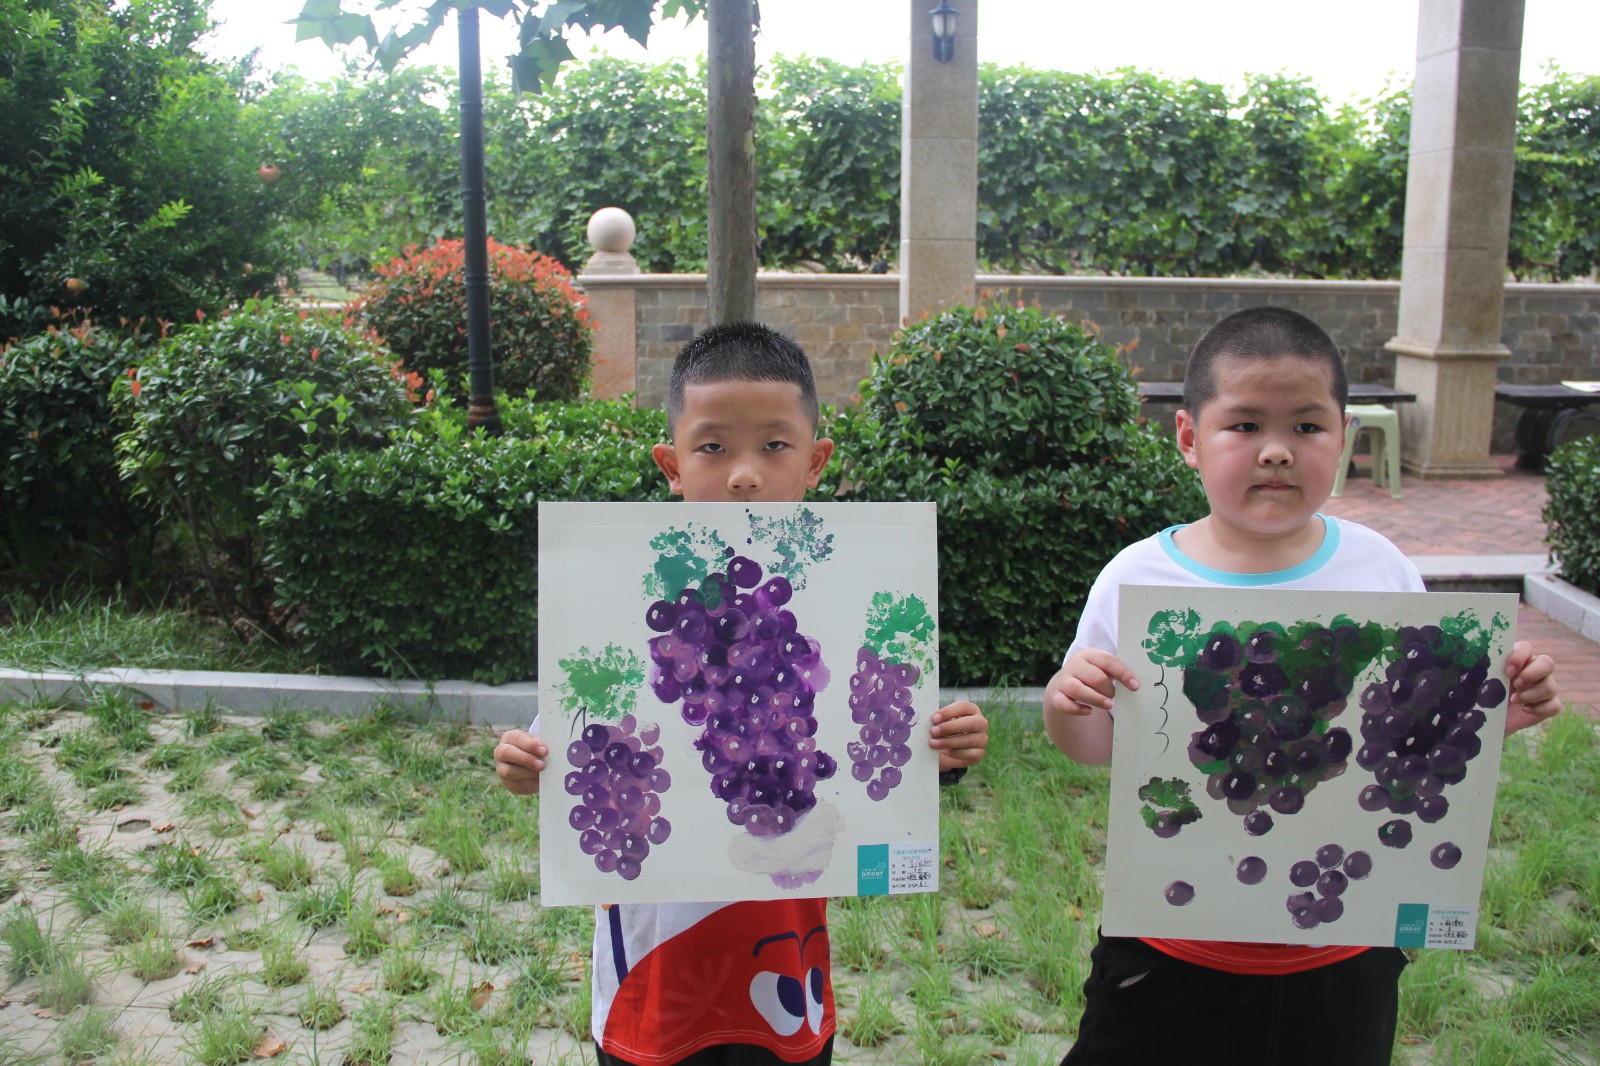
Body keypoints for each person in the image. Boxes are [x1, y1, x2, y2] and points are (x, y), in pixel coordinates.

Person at [1043, 306, 1562, 1065]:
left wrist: (1488, 719)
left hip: (1344, 946)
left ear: (1344, 437)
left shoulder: (1381, 569)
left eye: (1308, 427)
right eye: (1245, 425)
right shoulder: (1137, 577)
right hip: (1170, 943)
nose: (1277, 451)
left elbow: (1408, 737)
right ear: (1188, 438)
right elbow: (1093, 748)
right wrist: (1067, 699)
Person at [494, 322, 991, 1066]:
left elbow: (884, 750)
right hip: (653, 978)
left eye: (775, 445)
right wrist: (524, 761)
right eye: (713, 447)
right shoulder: (621, 594)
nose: (744, 475)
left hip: (787, 970)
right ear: (672, 464)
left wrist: (945, 748)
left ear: (816, 461)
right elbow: (565, 745)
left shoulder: (848, 595)